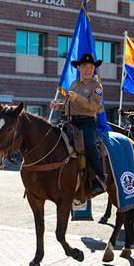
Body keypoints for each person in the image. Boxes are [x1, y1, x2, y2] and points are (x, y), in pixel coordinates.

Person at [50, 53, 106, 195]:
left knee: (89, 144)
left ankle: (98, 179)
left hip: (87, 122)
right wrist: (59, 106)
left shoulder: (96, 86)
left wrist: (77, 98)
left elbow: (93, 107)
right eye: (85, 67)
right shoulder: (74, 84)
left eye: (91, 67)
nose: (88, 70)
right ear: (79, 68)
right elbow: (70, 105)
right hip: (71, 121)